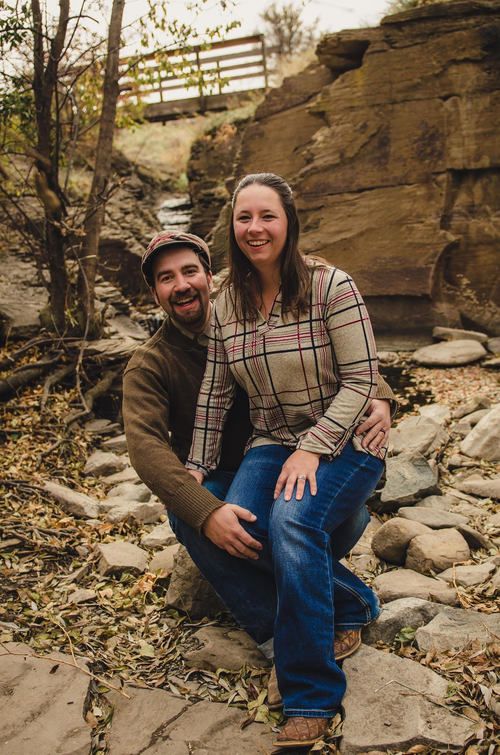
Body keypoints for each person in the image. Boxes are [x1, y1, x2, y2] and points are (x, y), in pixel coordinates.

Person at [122, 228, 395, 741]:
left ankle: (307, 629)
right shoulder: (150, 364)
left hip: (311, 463)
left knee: (294, 523)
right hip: (237, 474)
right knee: (192, 513)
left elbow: (335, 349)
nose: (181, 286)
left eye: (189, 271)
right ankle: (296, 628)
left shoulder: (253, 300)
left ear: (210, 275)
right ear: (154, 292)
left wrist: (380, 393)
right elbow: (146, 447)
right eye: (166, 278)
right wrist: (205, 509)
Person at [185, 174, 390, 748]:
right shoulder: (225, 301)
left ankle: (310, 695)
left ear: (289, 222)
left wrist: (312, 448)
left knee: (290, 522)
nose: (255, 229)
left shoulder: (331, 286)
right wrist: (197, 466)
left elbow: (361, 380)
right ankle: (351, 603)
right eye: (244, 217)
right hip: (271, 441)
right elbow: (216, 392)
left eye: (267, 216)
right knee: (236, 526)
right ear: (232, 225)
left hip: (347, 440)